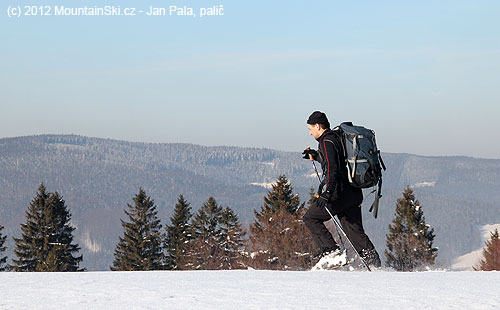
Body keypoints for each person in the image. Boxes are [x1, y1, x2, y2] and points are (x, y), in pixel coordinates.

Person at [302, 111, 381, 268]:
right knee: (354, 232)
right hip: (353, 192)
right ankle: (375, 265)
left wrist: (328, 193)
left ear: (317, 126)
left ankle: (331, 251)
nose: (310, 133)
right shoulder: (336, 138)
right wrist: (316, 156)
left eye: (310, 128)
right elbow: (337, 160)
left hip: (339, 194)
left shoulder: (325, 141)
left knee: (311, 218)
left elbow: (333, 168)